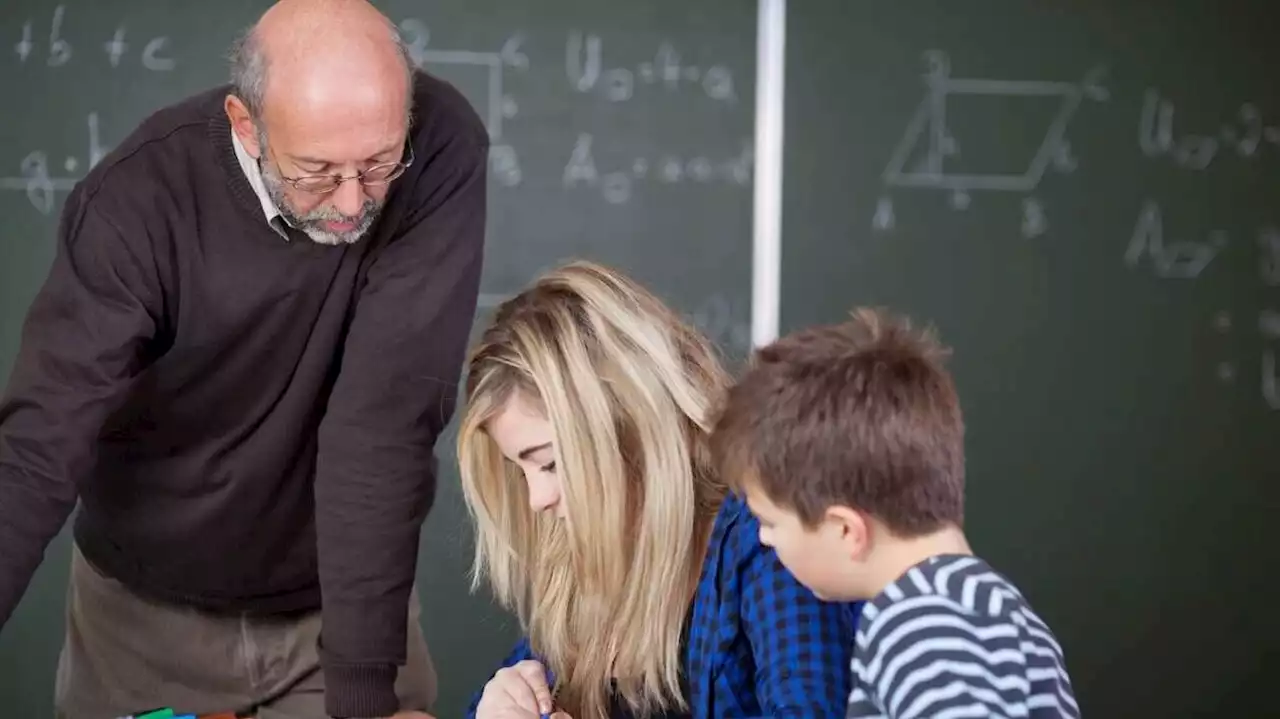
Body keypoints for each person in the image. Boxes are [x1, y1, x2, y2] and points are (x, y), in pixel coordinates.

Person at [0, 0, 487, 716]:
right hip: (141, 620)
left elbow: (382, 423)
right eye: (317, 171)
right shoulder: (136, 201)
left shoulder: (441, 146)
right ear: (245, 125)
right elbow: (39, 446)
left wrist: (360, 699)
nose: (354, 204)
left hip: (340, 605)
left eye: (380, 163)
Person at [455, 260, 861, 719]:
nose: (537, 499)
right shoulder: (590, 568)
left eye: (549, 464)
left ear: (628, 426)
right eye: (521, 471)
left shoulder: (769, 539)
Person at [709, 308, 1080, 718]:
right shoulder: (997, 609)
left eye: (770, 523)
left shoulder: (921, 627)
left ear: (846, 530)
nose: (763, 538)